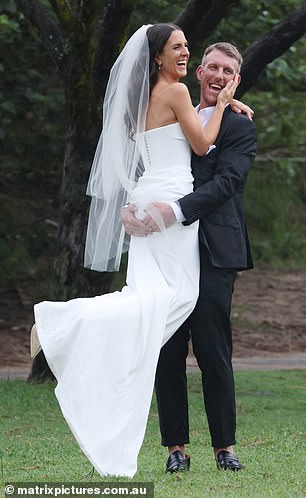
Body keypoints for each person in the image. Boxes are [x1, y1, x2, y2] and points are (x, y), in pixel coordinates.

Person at [31, 23, 241, 478]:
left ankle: (68, 325)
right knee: (171, 300)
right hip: (170, 206)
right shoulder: (178, 92)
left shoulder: (137, 97)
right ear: (159, 57)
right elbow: (203, 145)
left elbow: (142, 153)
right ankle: (69, 322)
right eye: (178, 48)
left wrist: (132, 203)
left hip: (148, 195)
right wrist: (223, 104)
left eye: (188, 47)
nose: (185, 53)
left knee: (148, 298)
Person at [120, 42, 257, 472]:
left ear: (236, 79)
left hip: (214, 250)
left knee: (214, 351)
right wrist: (137, 204)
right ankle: (175, 448)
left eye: (228, 71)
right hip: (167, 250)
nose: (218, 76)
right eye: (212, 68)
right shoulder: (175, 112)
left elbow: (228, 182)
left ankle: (225, 448)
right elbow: (153, 166)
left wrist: (174, 211)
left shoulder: (238, 126)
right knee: (168, 350)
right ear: (199, 72)